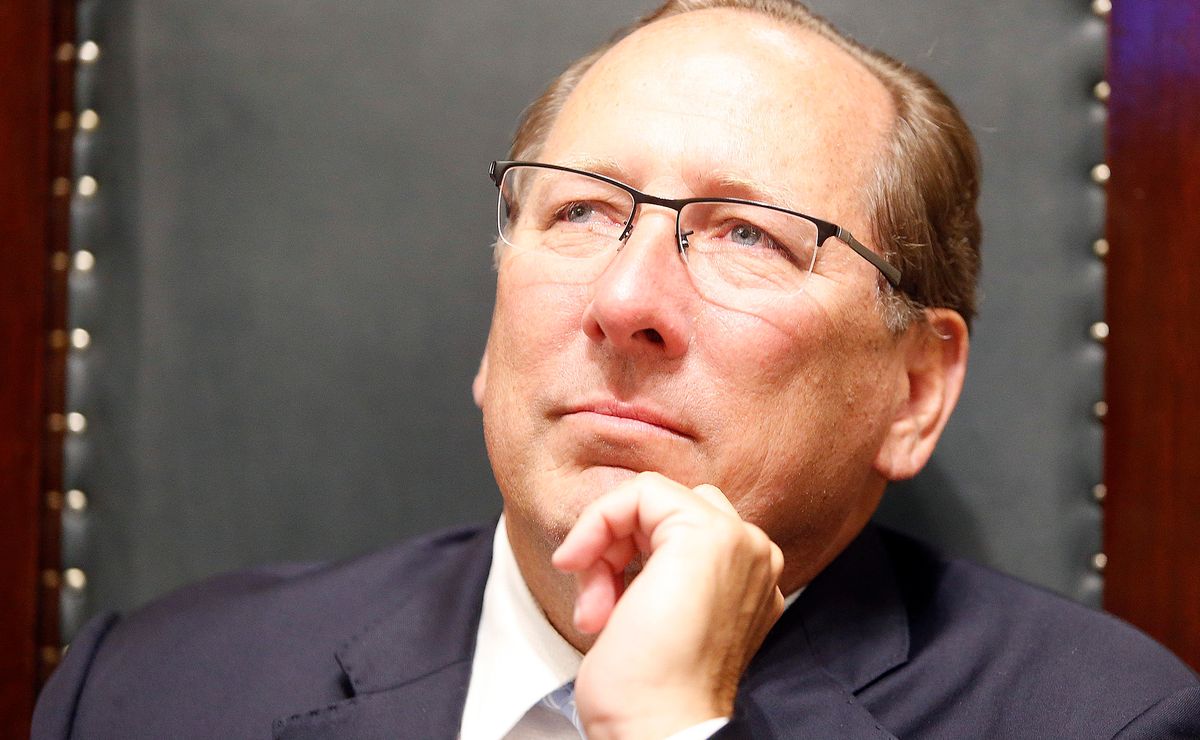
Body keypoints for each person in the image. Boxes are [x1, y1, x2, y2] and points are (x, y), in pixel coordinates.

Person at [33, 1, 1200, 738]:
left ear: (914, 389)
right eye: (582, 212)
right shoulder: (153, 689)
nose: (625, 301)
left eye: (749, 235)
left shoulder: (1102, 720)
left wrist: (669, 729)